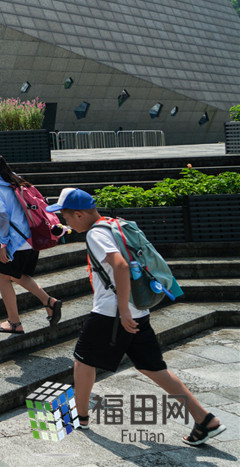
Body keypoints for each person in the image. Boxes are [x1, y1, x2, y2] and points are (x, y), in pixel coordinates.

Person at [47, 188, 226, 445]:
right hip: (138, 310)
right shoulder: (113, 224)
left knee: (83, 360)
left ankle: (80, 417)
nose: (65, 222)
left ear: (78, 214)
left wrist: (122, 310)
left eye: (65, 217)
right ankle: (205, 419)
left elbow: (120, 265)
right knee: (152, 367)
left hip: (111, 314)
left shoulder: (96, 234)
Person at [0, 142, 61, 334]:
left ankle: (15, 323)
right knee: (15, 275)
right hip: (31, 238)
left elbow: (0, 217)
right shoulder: (14, 179)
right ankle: (49, 302)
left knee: (2, 276)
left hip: (16, 241)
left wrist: (2, 244)